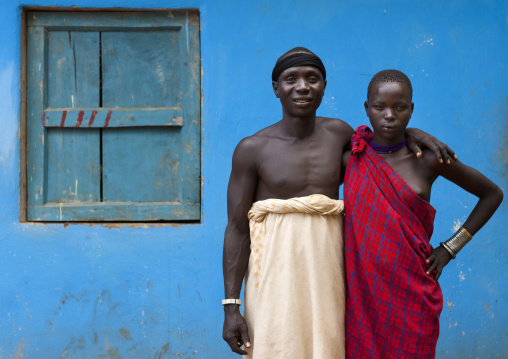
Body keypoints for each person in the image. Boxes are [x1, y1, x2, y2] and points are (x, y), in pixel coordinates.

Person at [222, 48, 455, 359]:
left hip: (331, 271)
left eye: (312, 79)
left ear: (324, 86)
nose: (302, 86)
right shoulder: (252, 149)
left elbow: (385, 145)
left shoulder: (340, 134)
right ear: (276, 88)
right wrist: (230, 307)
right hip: (272, 274)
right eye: (291, 79)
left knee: (329, 349)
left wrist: (412, 132)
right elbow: (237, 230)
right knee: (275, 347)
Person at [343, 69, 503, 359]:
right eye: (380, 107)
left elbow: (492, 194)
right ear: (367, 109)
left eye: (400, 107)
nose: (389, 115)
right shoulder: (351, 157)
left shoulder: (429, 158)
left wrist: (449, 248)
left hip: (412, 290)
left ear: (412, 110)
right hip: (362, 294)